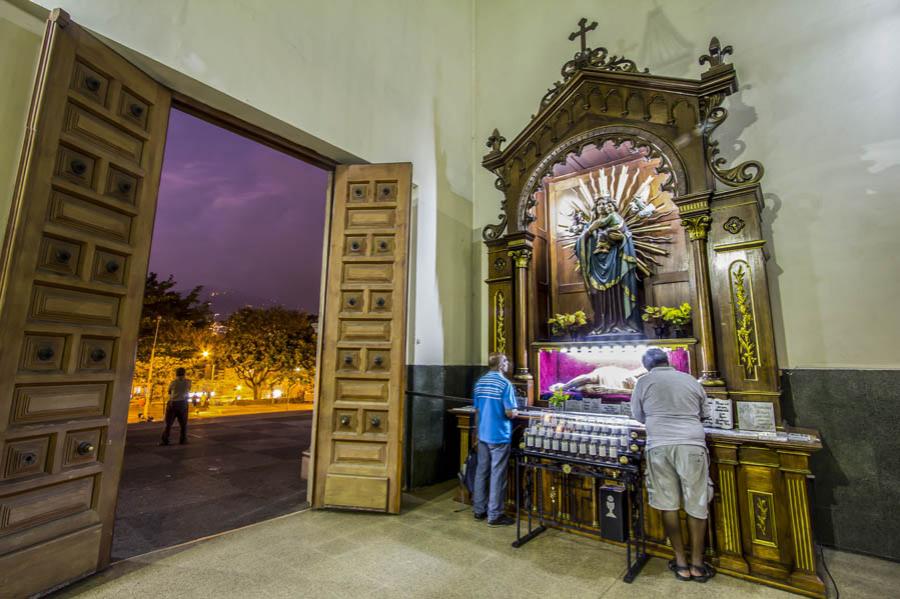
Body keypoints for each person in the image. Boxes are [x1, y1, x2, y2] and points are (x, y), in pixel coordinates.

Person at [630, 348, 715, 583]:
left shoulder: (643, 382)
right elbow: (704, 413)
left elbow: (638, 415)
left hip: (659, 445)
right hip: (691, 444)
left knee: (667, 503)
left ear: (647, 366)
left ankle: (680, 562)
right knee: (697, 501)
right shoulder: (690, 380)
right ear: (668, 361)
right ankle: (698, 564)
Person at [472, 352, 519, 527]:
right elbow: (510, 412)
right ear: (501, 365)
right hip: (499, 434)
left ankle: (479, 510)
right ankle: (495, 515)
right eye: (506, 360)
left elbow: (477, 410)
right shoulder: (505, 384)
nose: (508, 363)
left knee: (481, 471)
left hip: (483, 433)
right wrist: (515, 412)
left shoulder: (480, 382)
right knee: (498, 473)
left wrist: (476, 433)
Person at [161, 367, 191, 445]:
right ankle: (183, 440)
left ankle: (165, 440)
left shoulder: (173, 382)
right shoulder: (188, 382)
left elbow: (169, 392)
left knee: (168, 423)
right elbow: (188, 389)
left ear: (176, 374)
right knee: (183, 424)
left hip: (173, 403)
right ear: (184, 373)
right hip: (183, 403)